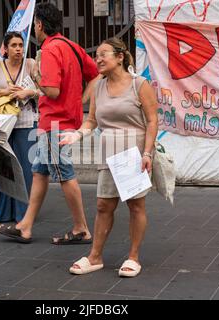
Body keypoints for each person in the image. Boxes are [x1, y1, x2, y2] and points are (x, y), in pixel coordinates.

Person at [0, 2, 100, 245]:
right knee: (40, 172)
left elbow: (51, 91)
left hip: (55, 123)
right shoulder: (72, 47)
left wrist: (35, 78)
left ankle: (81, 228)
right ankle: (26, 226)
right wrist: (81, 100)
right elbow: (95, 75)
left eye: (35, 25)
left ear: (40, 24)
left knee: (64, 174)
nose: (34, 29)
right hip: (59, 121)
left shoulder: (51, 49)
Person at [59, 38, 159, 278]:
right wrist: (78, 135)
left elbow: (153, 120)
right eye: (97, 55)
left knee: (135, 205)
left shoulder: (139, 84)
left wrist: (147, 153)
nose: (99, 59)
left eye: (104, 54)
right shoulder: (98, 87)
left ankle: (133, 257)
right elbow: (92, 120)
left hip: (134, 150)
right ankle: (95, 257)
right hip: (109, 150)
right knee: (104, 205)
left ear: (120, 57)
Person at [0, 32, 39, 226]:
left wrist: (28, 92)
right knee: (1, 166)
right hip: (2, 124)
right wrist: (6, 91)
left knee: (25, 169)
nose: (18, 49)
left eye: (21, 45)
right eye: (14, 45)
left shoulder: (30, 65)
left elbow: (44, 90)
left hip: (26, 122)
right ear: (5, 48)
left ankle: (24, 213)